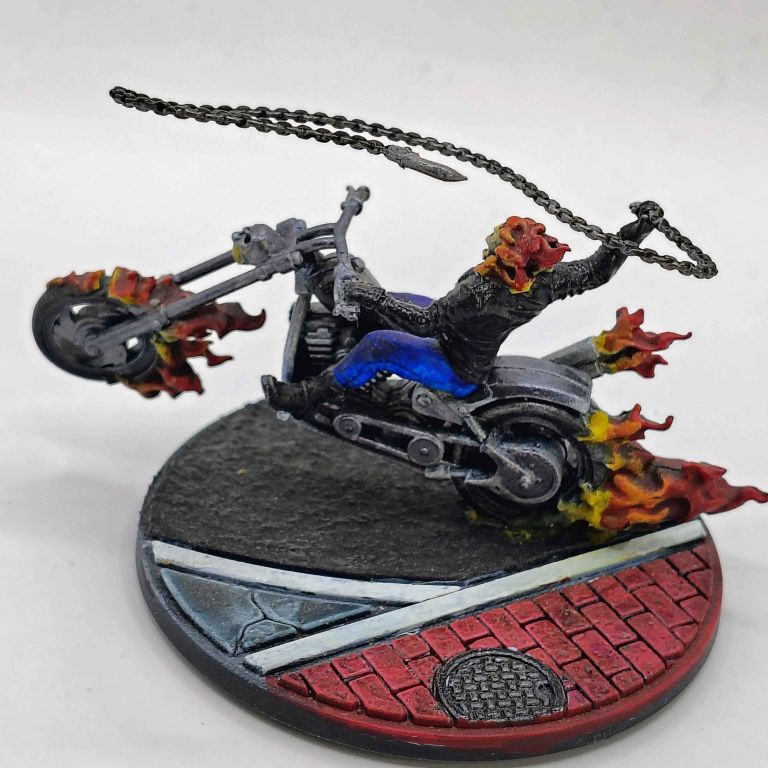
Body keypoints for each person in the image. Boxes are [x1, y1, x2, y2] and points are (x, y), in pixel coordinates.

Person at [261, 203, 658, 414]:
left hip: (456, 366)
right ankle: (345, 320)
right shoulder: (548, 280)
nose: (491, 245)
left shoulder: (483, 291)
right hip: (462, 343)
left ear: (509, 258)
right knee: (394, 300)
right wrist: (638, 229)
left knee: (378, 343)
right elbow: (597, 271)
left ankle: (307, 395)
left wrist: (370, 298)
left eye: (500, 244)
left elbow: (427, 322)